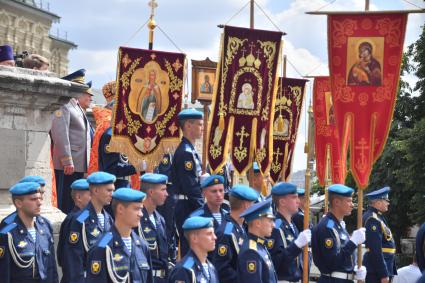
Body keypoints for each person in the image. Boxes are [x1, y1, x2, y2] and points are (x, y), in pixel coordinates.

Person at [85, 188, 153, 282]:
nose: (141, 214)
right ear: (120, 209)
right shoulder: (102, 247)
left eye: (141, 209)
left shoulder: (142, 245)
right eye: (136, 209)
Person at [51, 69, 93, 214]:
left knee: (73, 202)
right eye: (78, 86)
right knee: (65, 201)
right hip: (67, 164)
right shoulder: (65, 104)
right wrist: (67, 159)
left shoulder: (75, 105)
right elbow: (60, 133)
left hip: (78, 163)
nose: (81, 90)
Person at [61, 171, 115, 283]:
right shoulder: (80, 219)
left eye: (113, 190)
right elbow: (73, 260)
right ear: (95, 191)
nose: (112, 194)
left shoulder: (108, 219)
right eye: (108, 190)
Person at [0, 182, 58, 282]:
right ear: (19, 203)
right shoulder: (6, 233)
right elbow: (3, 273)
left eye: (40, 198)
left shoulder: (45, 227)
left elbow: (52, 268)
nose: (39, 203)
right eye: (33, 199)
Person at [311, 184, 367, 282]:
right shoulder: (327, 227)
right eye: (348, 201)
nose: (352, 204)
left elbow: (343, 259)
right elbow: (332, 262)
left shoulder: (337, 225)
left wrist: (354, 270)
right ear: (337, 202)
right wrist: (353, 242)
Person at [170, 108, 204, 257]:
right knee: (190, 249)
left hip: (190, 205)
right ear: (188, 126)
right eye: (199, 124)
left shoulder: (190, 150)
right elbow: (190, 187)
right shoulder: (185, 152)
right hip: (187, 206)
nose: (202, 128)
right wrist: (204, 208)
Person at [212, 184, 258, 283]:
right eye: (253, 203)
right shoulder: (227, 232)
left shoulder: (243, 226)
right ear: (246, 205)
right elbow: (223, 269)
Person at [268, 182, 312, 282]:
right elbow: (274, 263)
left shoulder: (292, 224)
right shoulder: (275, 228)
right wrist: (296, 246)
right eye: (294, 197)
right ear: (282, 202)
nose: (298, 201)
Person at [137, 173, 175, 282]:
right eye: (163, 190)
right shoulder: (136, 218)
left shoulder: (159, 219)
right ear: (151, 192)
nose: (167, 194)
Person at [168, 216, 219, 283]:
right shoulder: (184, 270)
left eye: (213, 233)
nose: (214, 237)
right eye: (209, 234)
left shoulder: (211, 267)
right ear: (194, 238)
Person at [57, 178, 91, 277]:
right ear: (79, 197)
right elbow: (71, 258)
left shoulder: (97, 216)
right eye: (90, 195)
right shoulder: (76, 219)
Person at [237, 199, 277, 282]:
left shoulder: (259, 245)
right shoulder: (251, 252)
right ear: (258, 223)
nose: (274, 225)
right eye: (270, 221)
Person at [363, 186, 397, 283]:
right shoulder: (372, 219)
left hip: (380, 268)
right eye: (386, 200)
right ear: (378, 202)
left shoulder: (378, 217)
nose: (388, 203)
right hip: (376, 272)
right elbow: (375, 249)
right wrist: (383, 273)